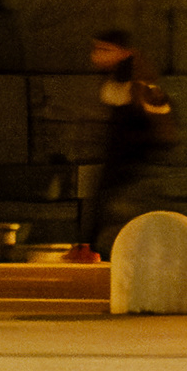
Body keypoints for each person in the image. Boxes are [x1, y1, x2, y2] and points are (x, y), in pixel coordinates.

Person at [69, 30, 175, 262]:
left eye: (105, 50)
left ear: (125, 53)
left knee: (121, 224)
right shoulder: (119, 81)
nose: (97, 56)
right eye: (96, 49)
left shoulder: (137, 84)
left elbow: (156, 131)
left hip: (132, 170)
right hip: (120, 168)